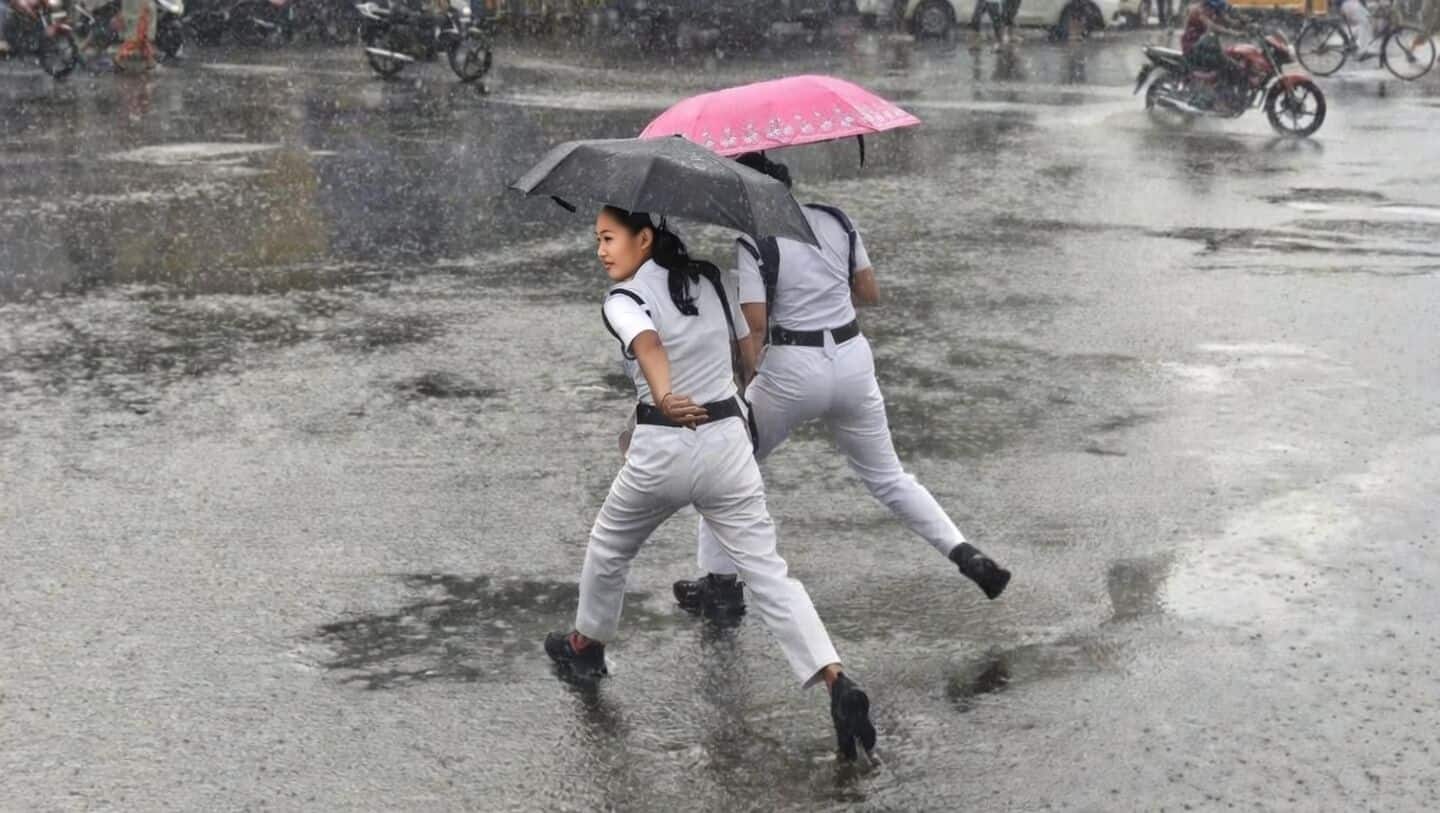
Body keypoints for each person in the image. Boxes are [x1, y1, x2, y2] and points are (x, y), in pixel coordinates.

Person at [545, 205, 878, 761]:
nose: (601, 251)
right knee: (770, 575)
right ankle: (836, 679)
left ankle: (584, 647)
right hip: (727, 441)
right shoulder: (713, 279)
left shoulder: (623, 299)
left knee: (609, 548)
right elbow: (748, 354)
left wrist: (666, 394)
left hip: (663, 444)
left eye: (609, 239)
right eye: (597, 240)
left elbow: (647, 345)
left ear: (644, 238)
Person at [672, 153, 1012, 621]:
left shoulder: (754, 242)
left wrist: (744, 377)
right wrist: (822, 292)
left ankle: (722, 586)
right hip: (851, 359)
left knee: (727, 461)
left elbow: (754, 325)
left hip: (792, 367)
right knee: (890, 477)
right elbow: (868, 291)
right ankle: (965, 552)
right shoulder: (837, 220)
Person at [1179, 0, 1250, 100]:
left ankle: (1225, 95)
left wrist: (1244, 25)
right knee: (1227, 65)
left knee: (1231, 62)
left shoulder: (1212, 9)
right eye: (1212, 9)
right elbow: (1213, 26)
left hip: (1206, 45)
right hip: (1193, 46)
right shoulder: (1198, 11)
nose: (1214, 12)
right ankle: (1221, 98)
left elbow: (1227, 20)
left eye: (1215, 10)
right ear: (1207, 5)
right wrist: (1234, 33)